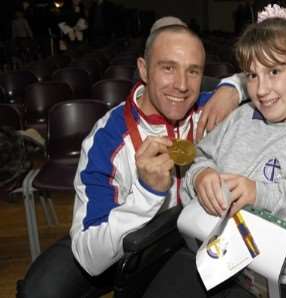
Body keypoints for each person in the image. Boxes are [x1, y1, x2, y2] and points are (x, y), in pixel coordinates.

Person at [144, 5, 286, 298]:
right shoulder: (241, 118)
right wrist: (201, 176)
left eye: (275, 71)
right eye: (252, 76)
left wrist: (265, 197)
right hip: (217, 254)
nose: (261, 90)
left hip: (285, 280)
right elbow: (200, 159)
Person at [17, 19, 248, 297]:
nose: (182, 85)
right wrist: (146, 193)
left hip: (184, 236)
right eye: (168, 68)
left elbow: (285, 87)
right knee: (39, 291)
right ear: (143, 70)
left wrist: (233, 88)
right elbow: (91, 259)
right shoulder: (107, 138)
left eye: (193, 71)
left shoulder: (209, 107)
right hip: (119, 237)